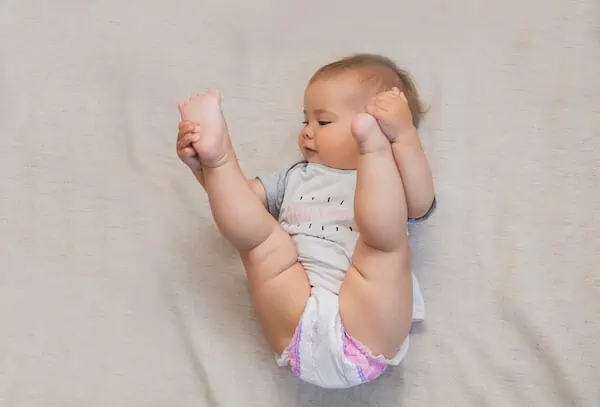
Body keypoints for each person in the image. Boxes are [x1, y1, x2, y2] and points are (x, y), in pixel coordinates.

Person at [175, 53, 436, 388]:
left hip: (366, 324)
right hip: (295, 323)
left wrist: (404, 137)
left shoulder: (396, 175)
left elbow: (420, 202)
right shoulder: (294, 177)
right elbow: (241, 200)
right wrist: (205, 168)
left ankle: (374, 151)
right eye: (305, 122)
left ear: (383, 127)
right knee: (261, 243)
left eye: (323, 122)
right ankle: (220, 158)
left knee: (382, 245)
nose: (308, 133)